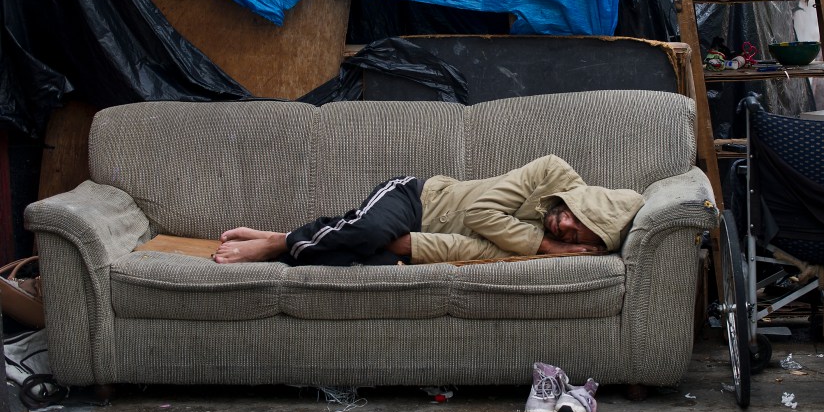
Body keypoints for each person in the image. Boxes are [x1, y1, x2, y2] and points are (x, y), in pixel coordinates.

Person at [213, 154, 644, 266]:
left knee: (366, 263)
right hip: (414, 199)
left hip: (419, 234)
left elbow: (479, 251)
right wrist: (545, 244)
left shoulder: (557, 250)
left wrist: (413, 245)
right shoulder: (551, 171)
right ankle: (278, 243)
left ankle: (284, 241)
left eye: (573, 236)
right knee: (365, 235)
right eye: (574, 218)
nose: (564, 227)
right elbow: (480, 215)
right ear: (583, 201)